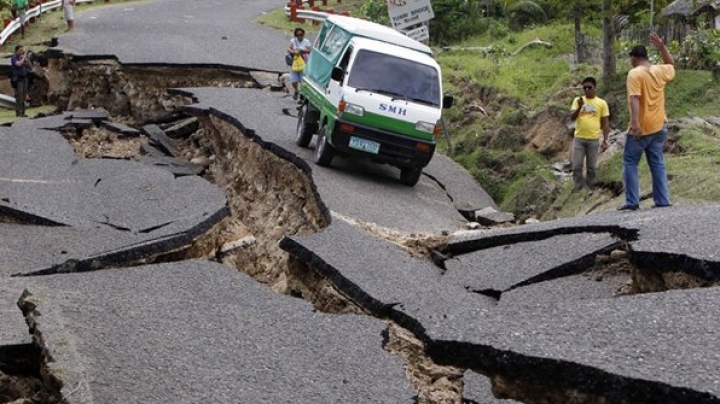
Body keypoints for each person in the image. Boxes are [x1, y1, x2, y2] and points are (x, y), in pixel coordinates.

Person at [618, 33, 675, 211]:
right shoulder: (659, 70)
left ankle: (632, 201)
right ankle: (662, 200)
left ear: (634, 59)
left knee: (629, 161)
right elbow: (671, 65)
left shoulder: (635, 74)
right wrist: (662, 48)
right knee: (657, 161)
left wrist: (635, 123)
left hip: (642, 128)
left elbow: (634, 98)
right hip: (660, 126)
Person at [568, 77, 610, 193]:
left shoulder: (601, 103)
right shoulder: (578, 100)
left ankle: (590, 186)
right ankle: (578, 186)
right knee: (577, 165)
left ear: (595, 88)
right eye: (584, 88)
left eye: (589, 87)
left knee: (591, 166)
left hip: (593, 139)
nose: (587, 90)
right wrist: (580, 107)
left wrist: (606, 140)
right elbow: (571, 117)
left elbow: (605, 122)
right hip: (579, 139)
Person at [287, 27, 311, 100]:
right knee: (294, 80)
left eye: (301, 34)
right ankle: (296, 90)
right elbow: (288, 48)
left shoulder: (307, 41)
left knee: (302, 80)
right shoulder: (293, 41)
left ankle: (302, 94)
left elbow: (309, 50)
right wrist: (294, 52)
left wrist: (301, 51)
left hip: (303, 63)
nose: (299, 36)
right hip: (295, 62)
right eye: (298, 35)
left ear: (303, 34)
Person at [11, 45, 30, 118]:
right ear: (16, 51)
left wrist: (27, 58)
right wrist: (24, 57)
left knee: (24, 96)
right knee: (19, 97)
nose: (21, 52)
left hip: (25, 79)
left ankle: (23, 112)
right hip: (18, 80)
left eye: (22, 50)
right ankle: (19, 113)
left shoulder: (22, 57)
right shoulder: (14, 57)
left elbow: (29, 65)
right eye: (20, 50)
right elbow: (18, 64)